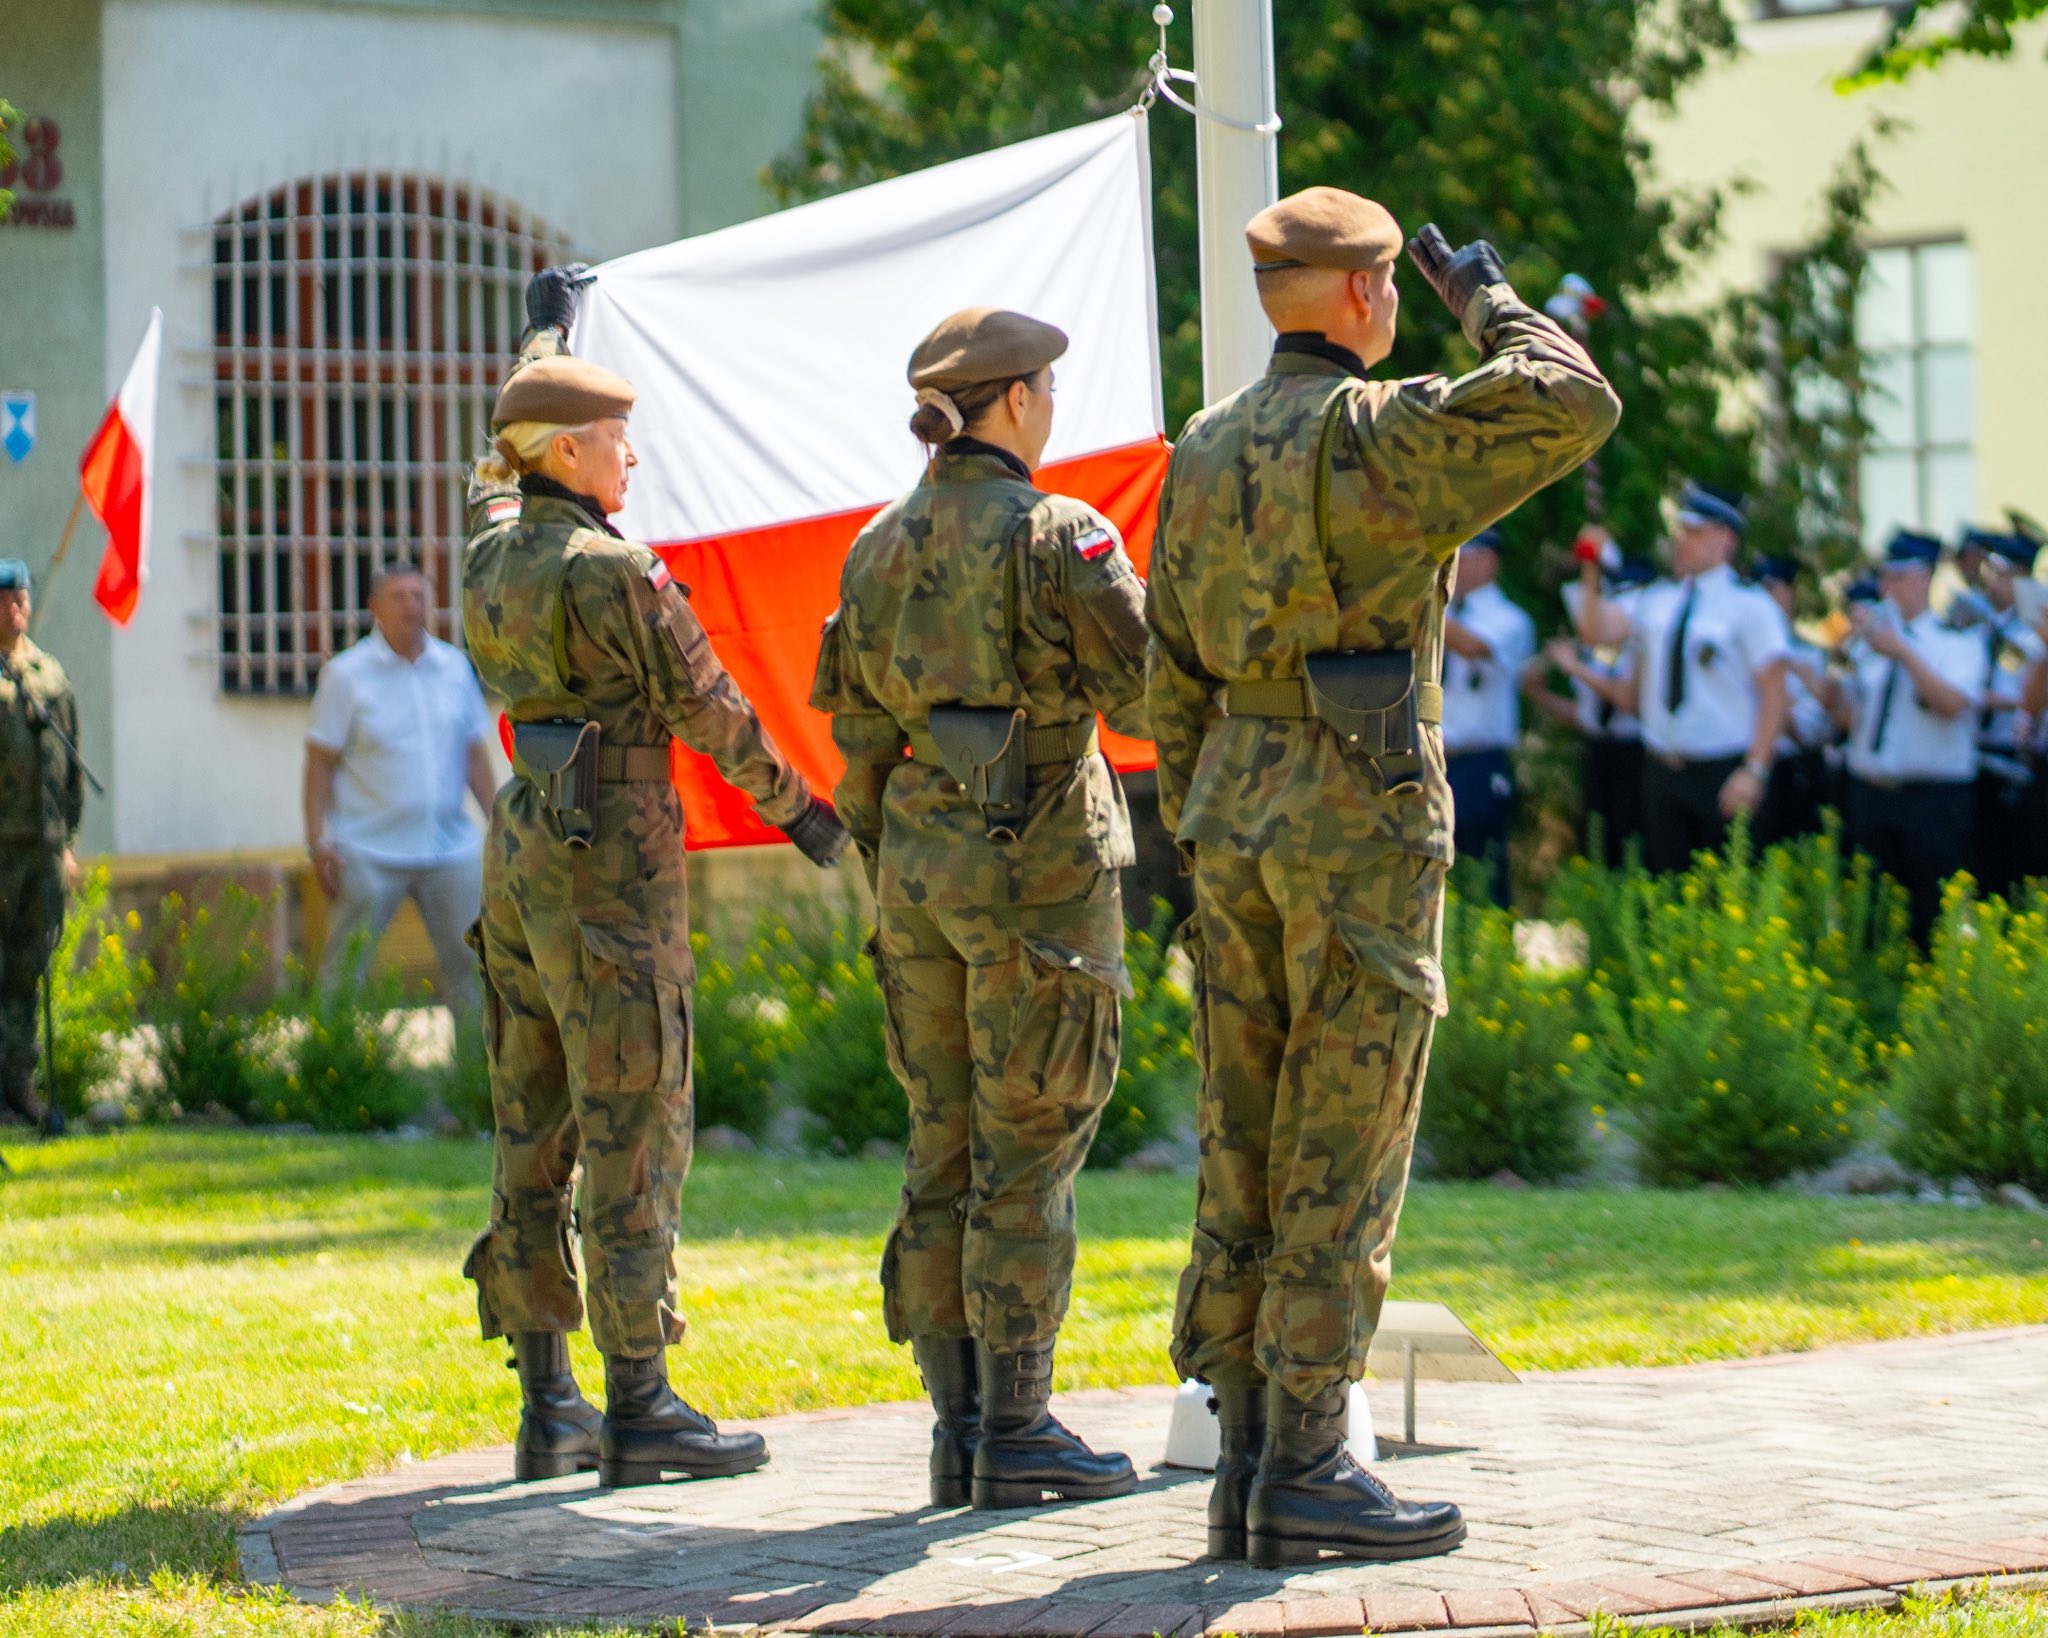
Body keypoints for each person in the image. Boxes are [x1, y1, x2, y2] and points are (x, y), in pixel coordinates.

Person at [1145, 188, 1620, 1567]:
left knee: (1243, 1127)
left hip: (1233, 811)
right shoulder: (1384, 430)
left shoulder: (1202, 448)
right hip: (1357, 814)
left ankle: (1244, 1446)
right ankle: (1306, 1457)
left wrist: (1208, 811)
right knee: (1345, 1137)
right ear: (1364, 295)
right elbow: (1571, 401)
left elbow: (1168, 671)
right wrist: (1491, 301)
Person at [461, 268, 848, 1489]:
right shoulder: (617, 576)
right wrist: (810, 819)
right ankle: (641, 1403)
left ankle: (547, 1403)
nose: (632, 460)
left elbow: (498, 450)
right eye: (619, 440)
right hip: (612, 874)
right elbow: (715, 711)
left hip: (521, 853)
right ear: (570, 451)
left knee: (532, 1128)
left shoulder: (483, 558)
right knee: (634, 1127)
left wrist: (546, 333)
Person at [812, 307, 1147, 1512]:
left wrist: (894, 852)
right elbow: (1150, 689)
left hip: (916, 877)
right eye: (1047, 390)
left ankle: (957, 1430)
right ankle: (1018, 1426)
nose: (1053, 407)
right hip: (1037, 879)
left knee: (940, 1142)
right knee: (1029, 1148)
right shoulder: (1064, 537)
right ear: (1012, 402)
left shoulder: (874, 547)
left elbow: (852, 743)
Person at [303, 562, 497, 1012]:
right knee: (345, 969)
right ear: (375, 607)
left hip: (450, 849)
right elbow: (319, 762)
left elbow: (474, 756)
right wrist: (317, 839)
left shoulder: (454, 667)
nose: (413, 605)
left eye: (419, 595)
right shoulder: (347, 676)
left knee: (475, 970)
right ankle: (329, 1067)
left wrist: (499, 824)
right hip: (370, 849)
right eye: (400, 596)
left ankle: (475, 1079)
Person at [1573, 484, 1789, 873]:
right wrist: (1591, 568)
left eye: (1695, 532)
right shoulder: (1657, 599)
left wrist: (1755, 771)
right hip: (1662, 769)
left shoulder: (1751, 606)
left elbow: (1774, 695)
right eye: (1682, 531)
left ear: (1726, 538)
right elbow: (1596, 631)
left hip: (1723, 771)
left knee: (1727, 894)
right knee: (1667, 893)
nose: (1682, 541)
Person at [1836, 529, 1983, 941]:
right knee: (1871, 922)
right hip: (1872, 794)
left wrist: (1903, 652)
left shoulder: (1955, 640)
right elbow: (1848, 717)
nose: (1886, 589)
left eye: (1897, 578)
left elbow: (1951, 704)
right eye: (1883, 578)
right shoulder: (1871, 643)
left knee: (1934, 925)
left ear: (1924, 579)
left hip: (1933, 801)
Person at [0, 559, 82, 1134]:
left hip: (43, 849)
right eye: (5, 599)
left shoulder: (49, 677)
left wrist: (68, 844)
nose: (16, 608)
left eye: (21, 598)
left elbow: (70, 768)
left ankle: (19, 1086)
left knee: (28, 969)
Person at [1530, 553, 1654, 866]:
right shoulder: (1600, 652)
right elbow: (1586, 715)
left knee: (1633, 850)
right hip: (1600, 753)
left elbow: (1628, 701)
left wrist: (1575, 669)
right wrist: (1538, 692)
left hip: (1636, 755)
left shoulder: (1646, 642)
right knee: (1596, 848)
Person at [1439, 527, 1534, 906]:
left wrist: (1418, 603)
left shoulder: (1508, 618)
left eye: (1465, 552)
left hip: (1480, 760)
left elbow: (1476, 647)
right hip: (1435, 758)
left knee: (1485, 869)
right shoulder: (1442, 612)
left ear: (1490, 560)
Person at [1955, 528, 2047, 895]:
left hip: (2019, 755)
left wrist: (1998, 701)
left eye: (2004, 573)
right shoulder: (1982, 626)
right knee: (1983, 868)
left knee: (2021, 867)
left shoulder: (2033, 632)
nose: (1995, 581)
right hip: (1978, 755)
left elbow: (2033, 696)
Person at [1751, 556, 1837, 846]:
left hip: (1793, 770)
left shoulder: (1808, 654)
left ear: (1790, 593)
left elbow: (1814, 730)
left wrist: (1776, 708)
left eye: (1773, 589)